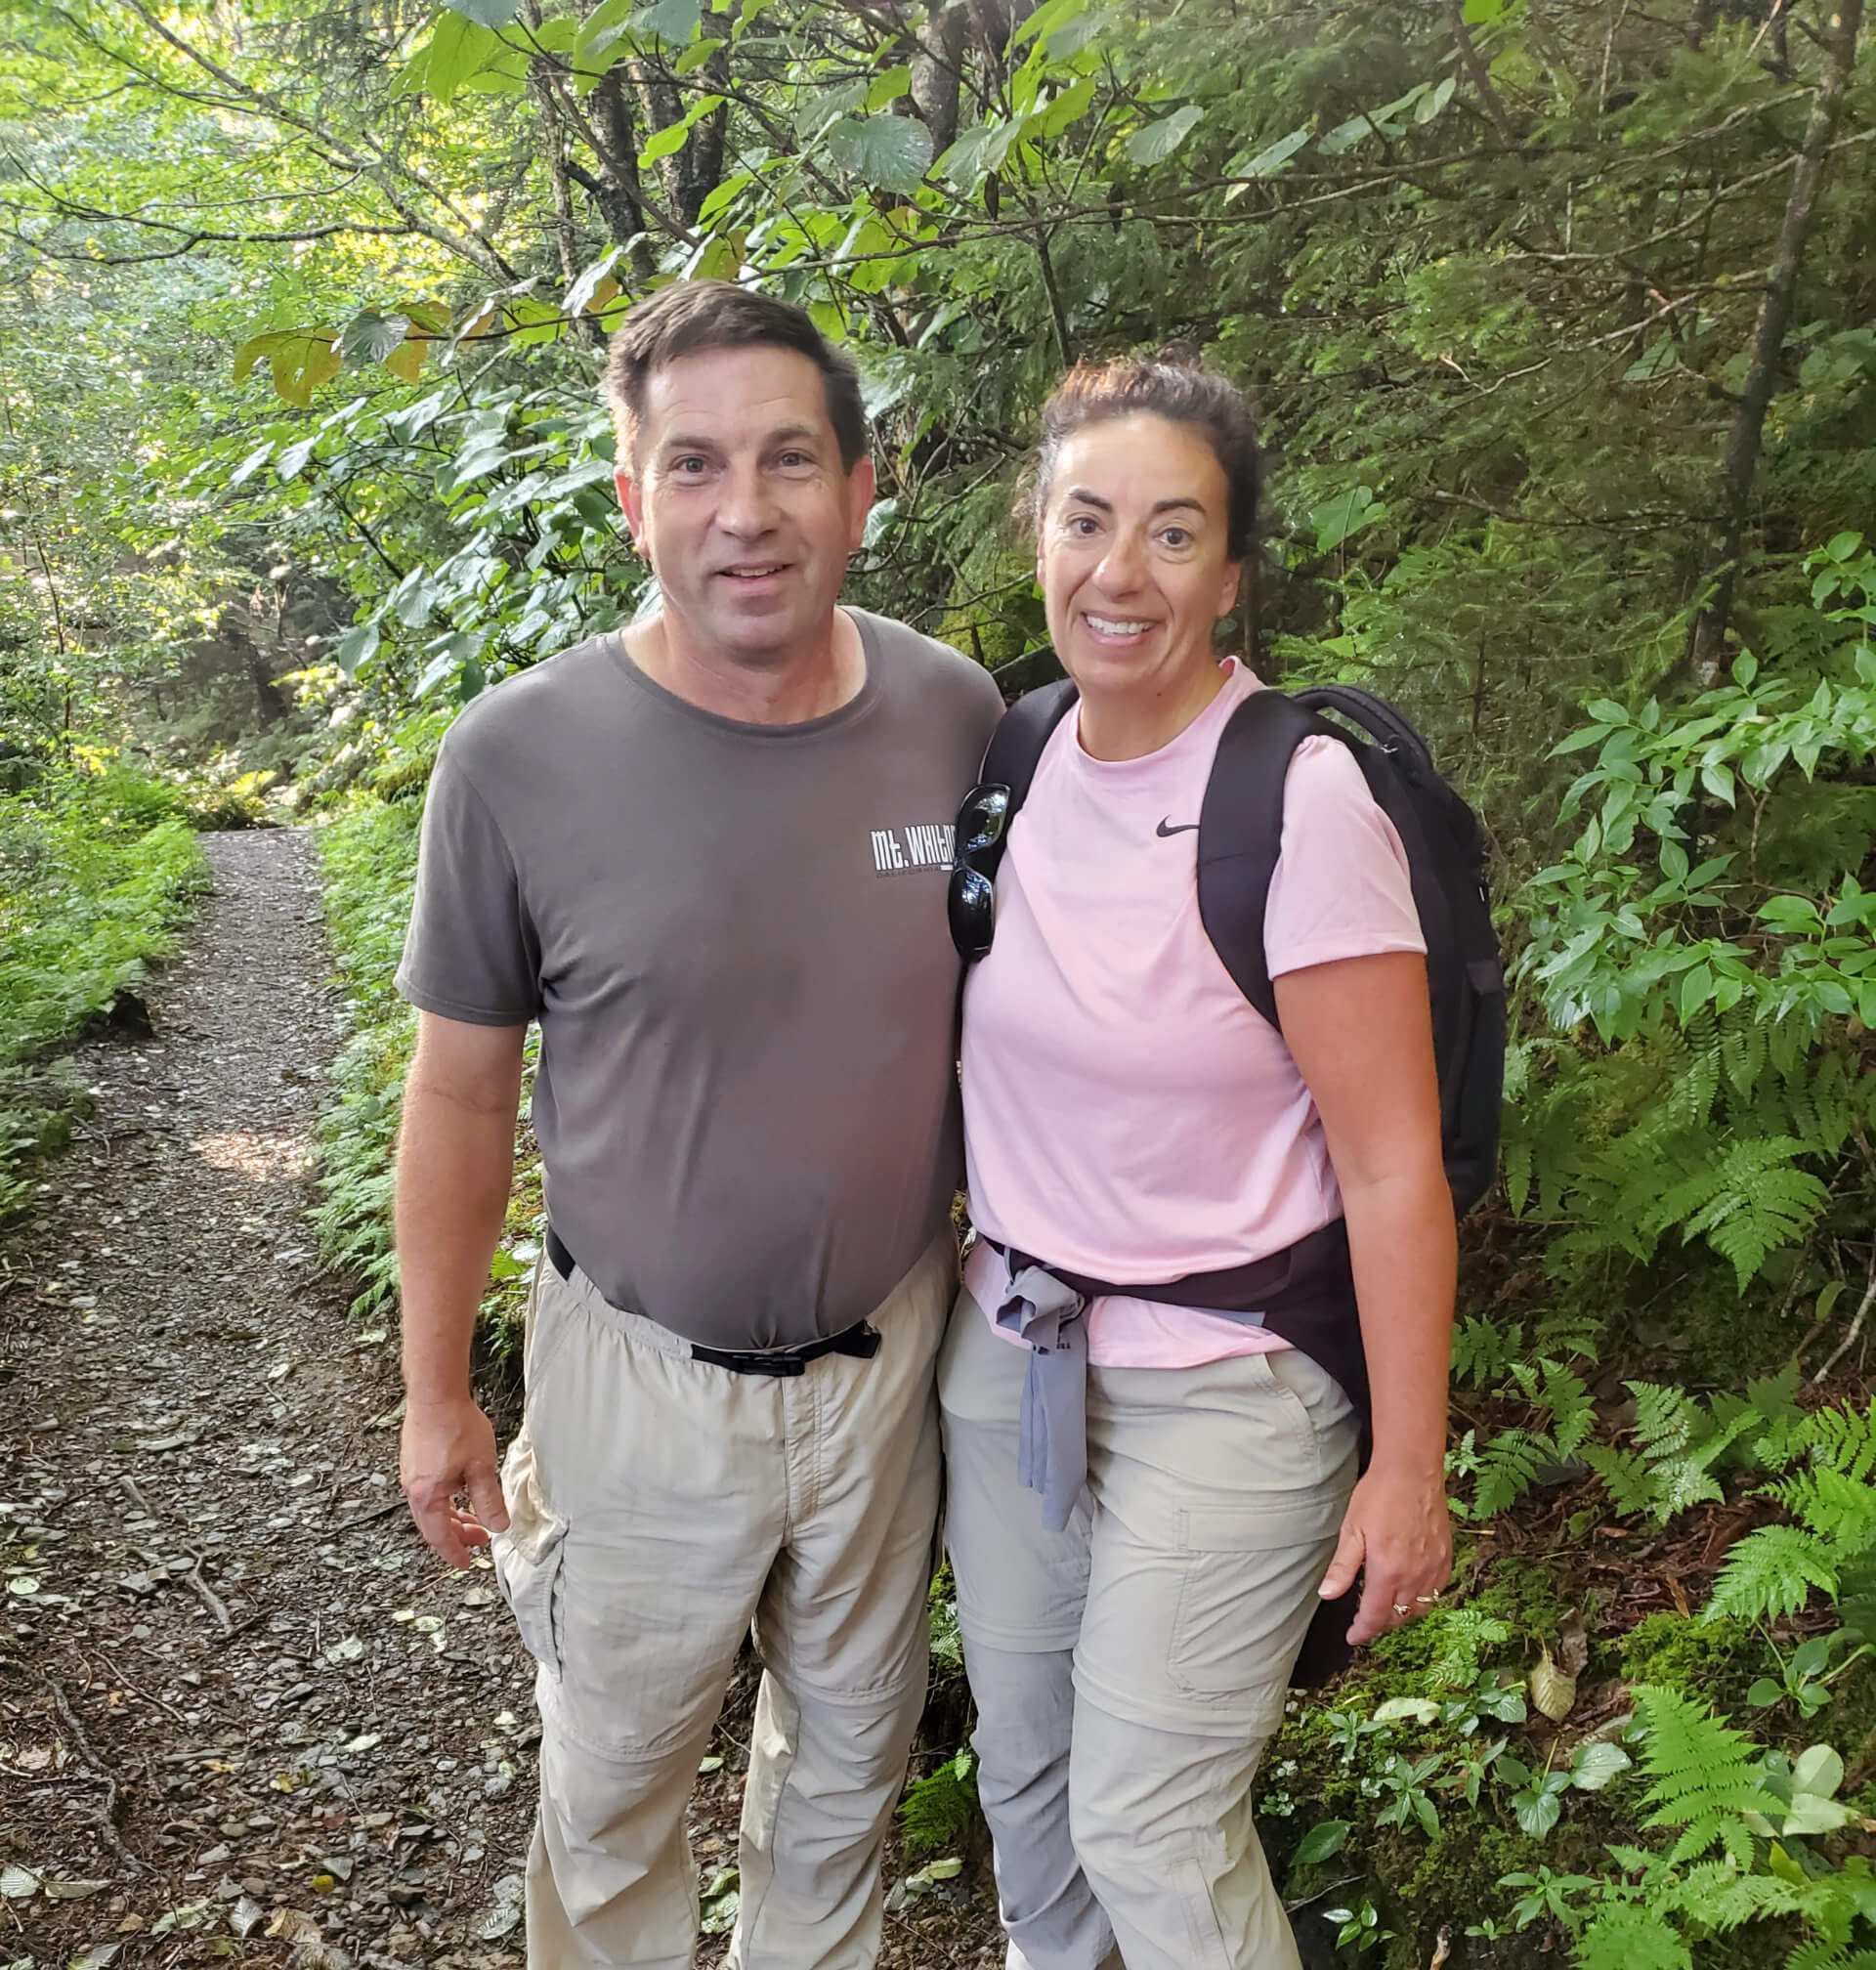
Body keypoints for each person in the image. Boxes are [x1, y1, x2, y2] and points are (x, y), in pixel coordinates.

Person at [392, 279, 1003, 1970]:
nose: (747, 510)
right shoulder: (517, 759)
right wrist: (435, 1389)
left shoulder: (957, 719)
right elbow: (459, 1091)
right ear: (631, 497)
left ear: (862, 487)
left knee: (845, 1785)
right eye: (695, 464)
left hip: (888, 1368)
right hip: (636, 1386)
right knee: (611, 1801)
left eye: (790, 459)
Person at [937, 359, 1456, 1970]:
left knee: (1151, 1823)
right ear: (1037, 535)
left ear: (1231, 576)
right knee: (1029, 1784)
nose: (1122, 571)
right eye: (1088, 521)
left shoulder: (1298, 803)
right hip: (1015, 1358)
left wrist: (1410, 1468)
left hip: (1232, 1382)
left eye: (1174, 534)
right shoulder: (1014, 756)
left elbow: (1395, 1168)